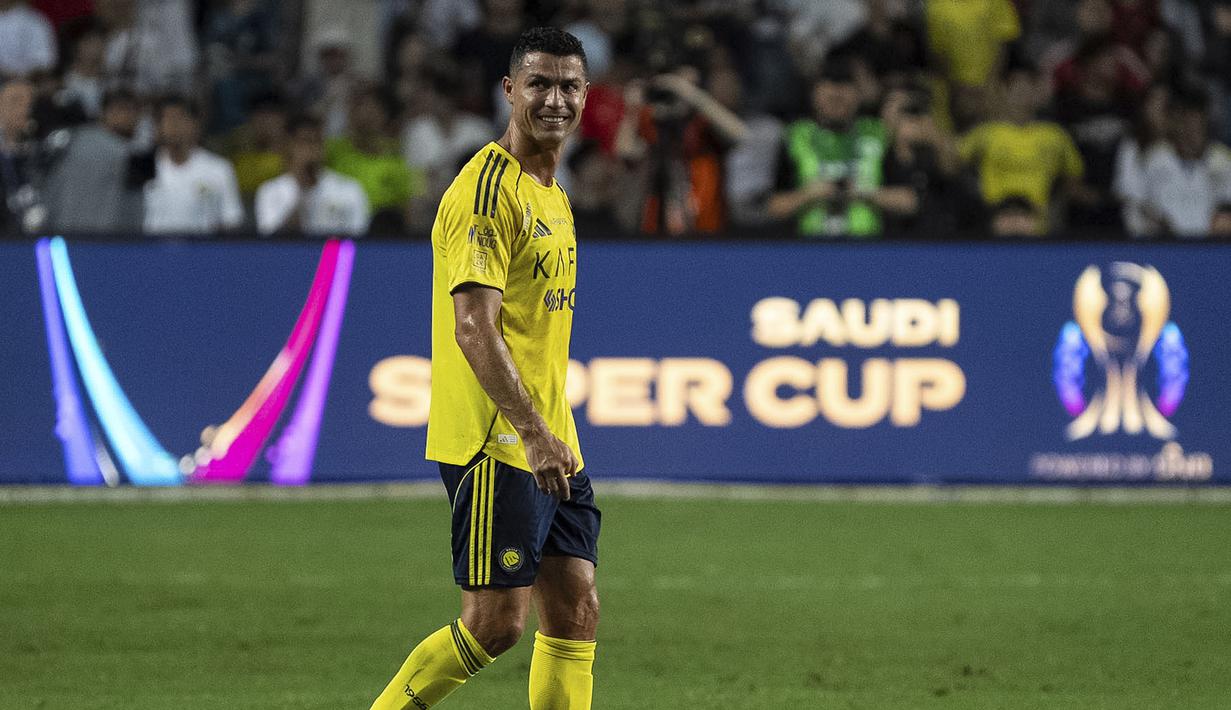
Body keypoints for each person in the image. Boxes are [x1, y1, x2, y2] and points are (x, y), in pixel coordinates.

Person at [369, 27, 600, 710]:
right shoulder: (484, 192)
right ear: (509, 90)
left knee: (576, 610)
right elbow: (475, 326)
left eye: (568, 86)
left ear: (586, 96)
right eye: (539, 83)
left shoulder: (550, 190)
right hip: (499, 440)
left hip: (552, 439)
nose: (554, 99)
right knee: (495, 626)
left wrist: (548, 431)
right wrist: (530, 431)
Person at [767, 58, 912, 239]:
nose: (836, 96)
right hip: (810, 251)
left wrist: (865, 193)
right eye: (829, 96)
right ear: (814, 96)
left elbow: (909, 201)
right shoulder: (796, 136)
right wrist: (808, 196)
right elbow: (773, 207)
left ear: (858, 96)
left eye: (843, 92)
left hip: (870, 249)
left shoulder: (878, 134)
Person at [43, 87, 145, 234]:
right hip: (105, 243)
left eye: (134, 112)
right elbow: (135, 214)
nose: (129, 117)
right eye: (123, 110)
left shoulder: (68, 141)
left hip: (63, 238)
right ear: (105, 113)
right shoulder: (129, 154)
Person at [254, 114, 369, 237]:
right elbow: (271, 245)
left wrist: (326, 256)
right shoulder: (270, 191)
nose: (312, 149)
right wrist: (302, 191)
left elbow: (359, 241)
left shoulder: (349, 188)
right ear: (289, 146)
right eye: (305, 142)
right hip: (293, 255)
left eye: (317, 141)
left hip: (334, 255)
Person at [143, 97, 244, 234]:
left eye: (180, 118)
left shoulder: (219, 168)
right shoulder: (142, 166)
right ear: (158, 126)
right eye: (168, 119)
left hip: (203, 251)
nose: (174, 125)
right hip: (150, 251)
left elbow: (232, 219)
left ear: (195, 124)